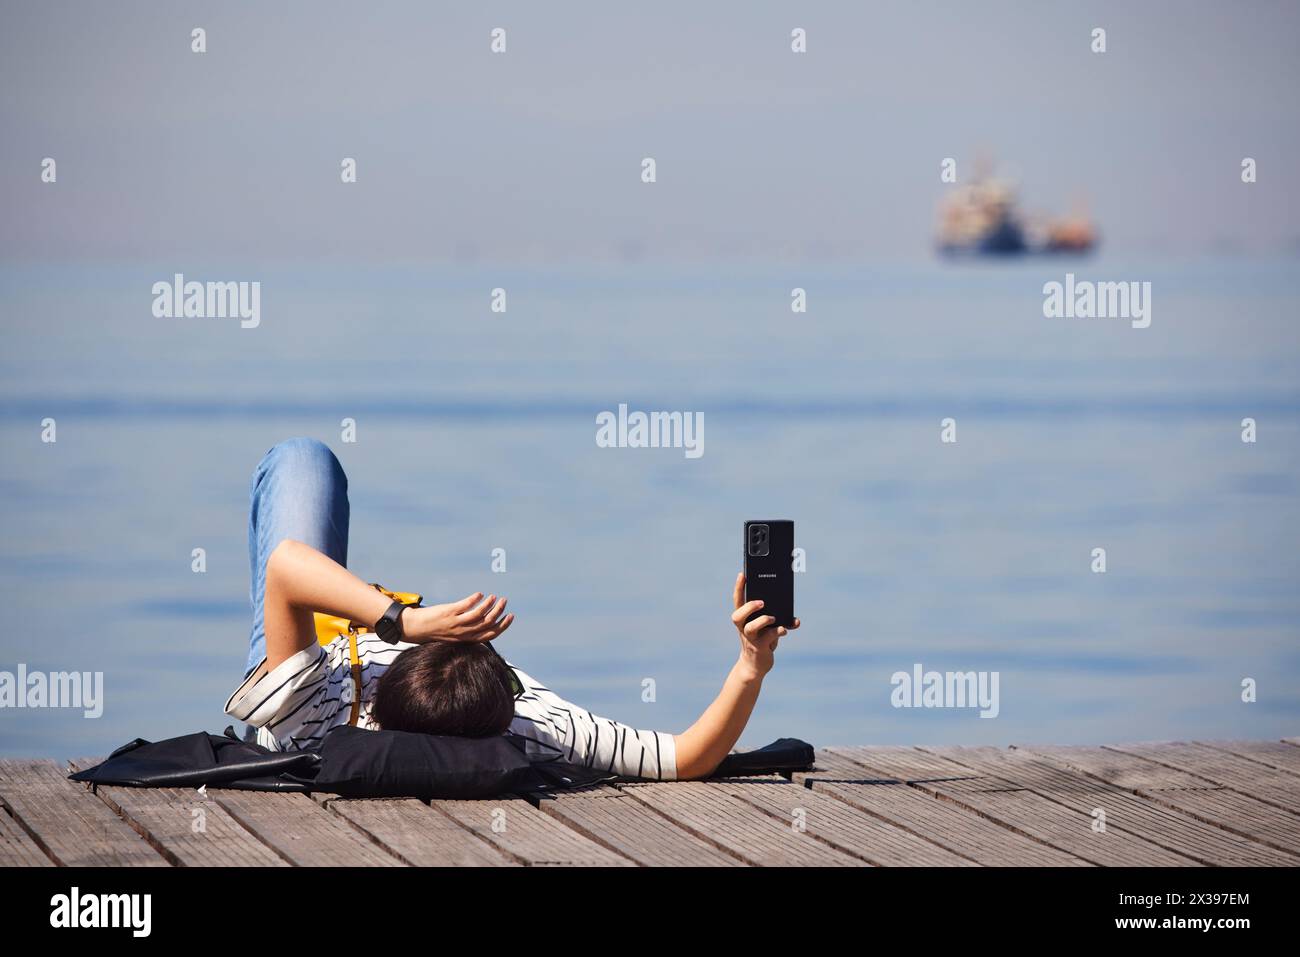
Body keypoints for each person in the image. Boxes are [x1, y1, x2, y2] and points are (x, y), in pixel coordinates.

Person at [225, 438, 798, 780]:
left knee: (301, 459)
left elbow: (285, 567)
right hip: (366, 629)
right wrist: (752, 666)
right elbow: (686, 757)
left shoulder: (312, 709)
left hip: (304, 643)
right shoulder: (536, 724)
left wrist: (406, 622)